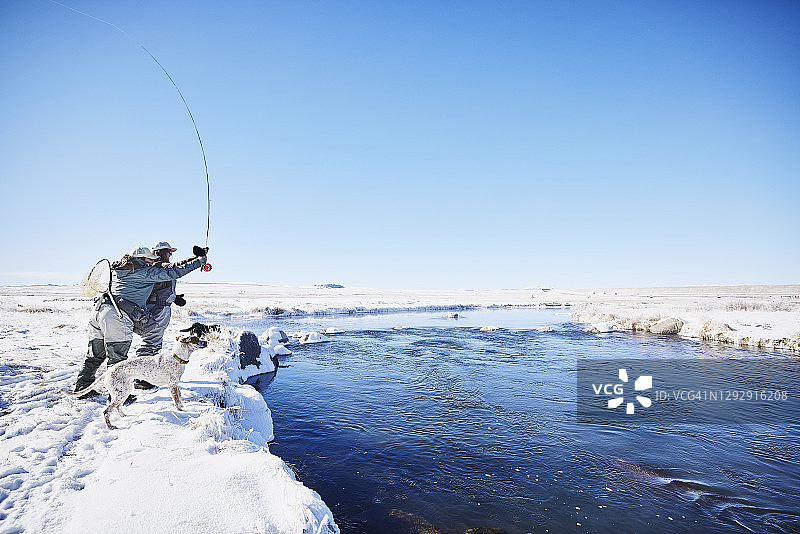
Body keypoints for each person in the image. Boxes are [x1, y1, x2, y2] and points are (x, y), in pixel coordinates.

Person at [74, 245, 208, 396]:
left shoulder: (118, 270)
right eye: (150, 259)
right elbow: (173, 271)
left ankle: (81, 388)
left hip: (99, 312)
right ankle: (117, 395)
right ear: (142, 259)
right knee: (117, 359)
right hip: (117, 317)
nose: (152, 262)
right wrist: (199, 261)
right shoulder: (143, 272)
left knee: (95, 355)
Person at [131, 241, 188, 390]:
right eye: (169, 252)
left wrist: (174, 298)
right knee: (151, 342)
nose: (171, 255)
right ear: (161, 252)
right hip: (157, 310)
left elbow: (161, 289)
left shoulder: (159, 268)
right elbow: (153, 292)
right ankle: (141, 379)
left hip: (161, 308)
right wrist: (197, 259)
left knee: (154, 343)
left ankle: (145, 376)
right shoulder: (158, 268)